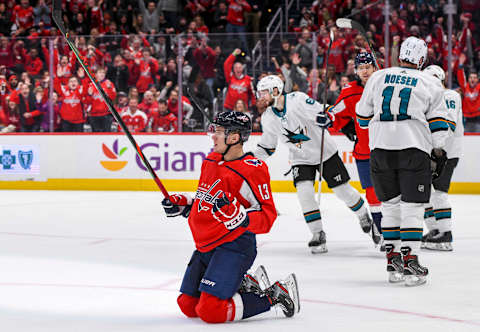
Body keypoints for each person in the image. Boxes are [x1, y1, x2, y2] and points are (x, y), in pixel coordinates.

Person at [161, 111, 300, 323]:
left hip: (234, 247)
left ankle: (277, 294)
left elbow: (267, 216)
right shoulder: (211, 160)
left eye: (218, 132)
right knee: (188, 305)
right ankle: (246, 284)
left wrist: (241, 216)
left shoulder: (252, 170)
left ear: (234, 138)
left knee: (211, 311)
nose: (212, 136)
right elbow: (205, 201)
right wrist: (185, 205)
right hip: (206, 245)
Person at [356, 37, 451, 286]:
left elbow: (362, 116)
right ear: (421, 58)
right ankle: (411, 261)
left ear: (400, 55)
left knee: (390, 206)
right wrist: (438, 151)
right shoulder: (429, 82)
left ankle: (393, 261)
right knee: (412, 208)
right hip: (413, 150)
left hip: (380, 151)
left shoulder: (378, 77)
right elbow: (439, 128)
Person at [254, 75, 374, 254]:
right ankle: (318, 233)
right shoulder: (268, 118)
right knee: (304, 194)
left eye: (263, 93)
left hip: (324, 151)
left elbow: (326, 111)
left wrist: (327, 118)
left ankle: (363, 214)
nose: (260, 97)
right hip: (300, 158)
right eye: (259, 93)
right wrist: (249, 157)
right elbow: (268, 147)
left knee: (343, 191)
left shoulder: (298, 100)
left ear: (276, 91)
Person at [319, 52, 383, 249]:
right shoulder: (350, 91)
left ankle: (395, 229)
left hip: (387, 148)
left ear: (375, 68)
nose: (364, 71)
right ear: (355, 70)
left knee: (391, 193)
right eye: (361, 68)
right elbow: (336, 111)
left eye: (368, 67)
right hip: (364, 151)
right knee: (372, 194)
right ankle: (380, 229)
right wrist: (327, 117)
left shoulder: (385, 86)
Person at [422, 65, 463, 251]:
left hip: (446, 153)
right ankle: (436, 230)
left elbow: (449, 125)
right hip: (433, 153)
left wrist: (437, 149)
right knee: (425, 194)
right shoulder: (430, 98)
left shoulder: (450, 96)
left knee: (439, 192)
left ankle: (446, 234)